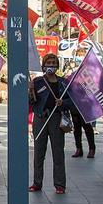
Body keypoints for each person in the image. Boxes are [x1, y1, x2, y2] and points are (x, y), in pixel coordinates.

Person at [30, 52, 70, 194]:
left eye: (53, 63)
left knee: (58, 152)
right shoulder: (37, 82)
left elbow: (72, 102)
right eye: (48, 63)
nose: (51, 66)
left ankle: (60, 184)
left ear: (57, 66)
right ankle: (37, 182)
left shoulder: (63, 82)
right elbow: (31, 102)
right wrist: (30, 91)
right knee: (38, 152)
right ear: (43, 65)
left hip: (56, 118)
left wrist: (63, 103)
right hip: (41, 118)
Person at [68, 62, 96, 159]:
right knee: (77, 129)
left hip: (85, 106)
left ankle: (92, 149)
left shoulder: (89, 78)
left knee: (87, 128)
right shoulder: (73, 75)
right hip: (75, 106)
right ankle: (79, 148)